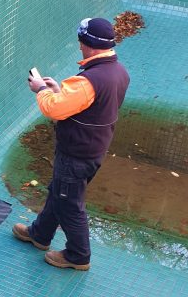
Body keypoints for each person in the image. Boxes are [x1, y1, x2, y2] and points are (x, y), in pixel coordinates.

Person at [13, 17, 130, 271]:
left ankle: (78, 255)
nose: (79, 47)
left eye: (81, 42)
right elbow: (91, 107)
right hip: (94, 149)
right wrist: (59, 91)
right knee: (59, 191)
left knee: (69, 204)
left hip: (77, 153)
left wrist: (42, 89)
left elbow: (53, 110)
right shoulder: (119, 72)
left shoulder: (87, 81)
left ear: (90, 44)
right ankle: (40, 234)